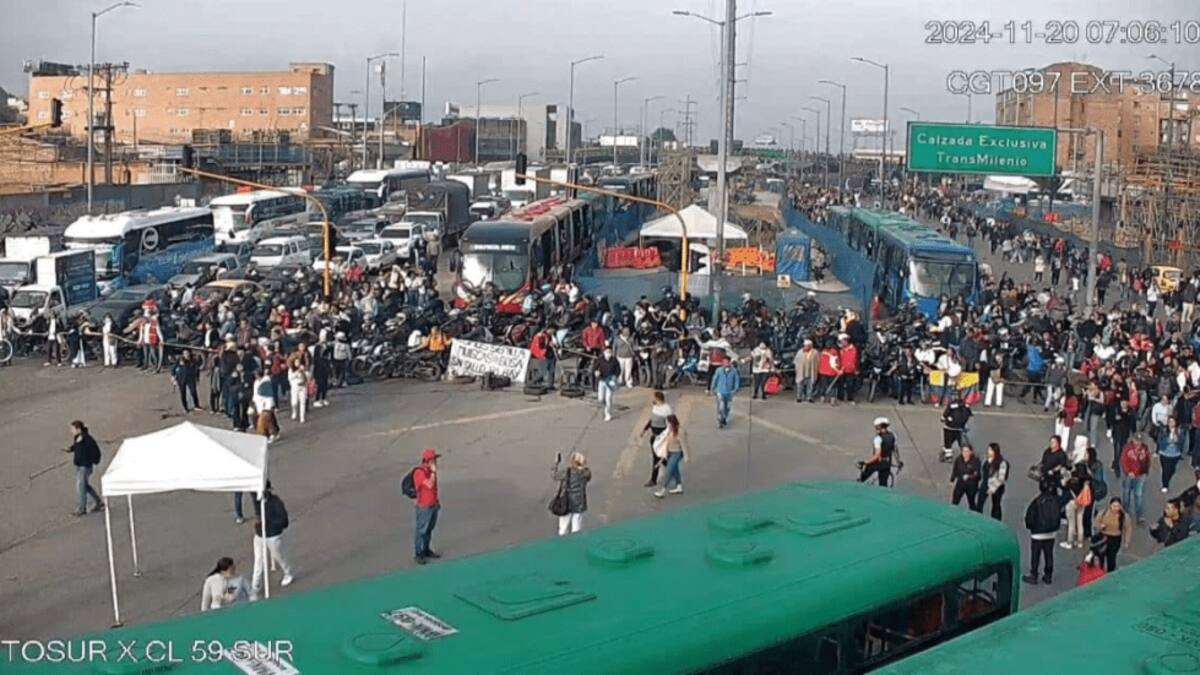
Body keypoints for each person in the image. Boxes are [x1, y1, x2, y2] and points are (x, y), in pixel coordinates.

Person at [250, 481, 294, 597]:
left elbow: (284, 522)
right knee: (258, 561)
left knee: (278, 556)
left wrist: (267, 522)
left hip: (273, 535)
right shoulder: (256, 498)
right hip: (260, 534)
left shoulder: (276, 502)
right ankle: (255, 586)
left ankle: (287, 572)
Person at [1024, 478, 1061, 585]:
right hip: (1051, 533)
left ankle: (1034, 575)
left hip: (1037, 533)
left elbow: (1030, 518)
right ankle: (1048, 575)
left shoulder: (1037, 501)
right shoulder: (1055, 501)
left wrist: (1031, 528)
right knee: (1049, 554)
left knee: (1035, 555)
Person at [61, 420, 103, 516]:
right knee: (84, 486)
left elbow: (95, 451)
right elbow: (76, 447)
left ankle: (81, 509)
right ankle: (98, 502)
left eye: (72, 429)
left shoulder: (87, 439)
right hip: (79, 465)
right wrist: (70, 449)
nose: (71, 431)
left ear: (78, 429)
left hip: (85, 466)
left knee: (81, 486)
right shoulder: (77, 438)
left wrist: (94, 461)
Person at [413, 448, 441, 565]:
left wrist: (437, 502)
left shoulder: (430, 472)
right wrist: (433, 472)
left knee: (429, 529)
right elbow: (429, 485)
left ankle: (426, 549)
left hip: (433, 505)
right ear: (428, 461)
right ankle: (419, 553)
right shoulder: (419, 472)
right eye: (434, 460)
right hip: (424, 507)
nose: (436, 462)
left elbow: (434, 489)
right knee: (421, 530)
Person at [552, 452, 592, 535]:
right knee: (576, 528)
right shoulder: (586, 473)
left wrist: (556, 463)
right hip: (579, 502)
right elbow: (587, 477)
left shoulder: (567, 472)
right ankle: (575, 544)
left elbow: (554, 476)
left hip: (566, 502)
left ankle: (563, 544)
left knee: (563, 528)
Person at [640, 391, 673, 487]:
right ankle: (672, 470)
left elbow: (671, 424)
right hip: (654, 436)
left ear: (658, 399)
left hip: (661, 438)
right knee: (659, 458)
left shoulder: (667, 409)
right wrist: (644, 429)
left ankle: (654, 479)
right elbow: (651, 421)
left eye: (653, 398)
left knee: (658, 458)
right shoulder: (655, 407)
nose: (652, 400)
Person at [1092, 497, 1132, 572]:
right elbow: (1095, 522)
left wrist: (1127, 541)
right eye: (1114, 506)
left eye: (1118, 506)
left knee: (1111, 558)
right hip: (1103, 537)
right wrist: (1100, 526)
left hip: (1115, 539)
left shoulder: (1124, 516)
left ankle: (1110, 573)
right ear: (1110, 505)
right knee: (1101, 557)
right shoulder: (1103, 512)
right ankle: (1100, 573)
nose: (1116, 508)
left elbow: (1128, 528)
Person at [653, 414, 688, 497]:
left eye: (667, 422)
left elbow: (683, 444)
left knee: (668, 471)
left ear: (671, 423)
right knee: (675, 470)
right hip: (670, 453)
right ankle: (679, 486)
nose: (666, 424)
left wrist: (686, 455)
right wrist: (662, 459)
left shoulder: (680, 431)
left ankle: (662, 491)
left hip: (677, 453)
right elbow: (666, 444)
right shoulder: (668, 431)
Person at [1121, 433, 1152, 524]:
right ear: (1133, 440)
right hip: (1129, 475)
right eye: (1136, 440)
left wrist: (1146, 471)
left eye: (1140, 441)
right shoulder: (1128, 448)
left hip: (1141, 475)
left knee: (1138, 494)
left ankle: (1139, 516)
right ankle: (1125, 513)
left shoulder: (1145, 448)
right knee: (1126, 493)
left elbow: (1148, 459)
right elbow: (1124, 460)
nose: (1138, 443)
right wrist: (1128, 471)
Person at [859, 417, 896, 487]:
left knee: (862, 478)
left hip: (877, 463)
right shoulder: (892, 435)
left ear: (879, 427)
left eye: (876, 427)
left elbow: (877, 455)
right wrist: (898, 462)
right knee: (883, 484)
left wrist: (865, 462)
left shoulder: (878, 439)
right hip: (887, 463)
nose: (875, 429)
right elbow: (894, 450)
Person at [978, 442, 1009, 519]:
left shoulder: (1002, 463)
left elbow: (1001, 479)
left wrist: (992, 489)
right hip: (985, 484)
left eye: (990, 450)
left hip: (997, 487)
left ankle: (996, 520)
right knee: (979, 503)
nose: (988, 451)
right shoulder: (988, 460)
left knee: (996, 505)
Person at [710, 358, 741, 429]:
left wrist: (735, 388)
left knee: (727, 407)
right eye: (724, 362)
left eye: (727, 362)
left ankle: (724, 417)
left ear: (730, 362)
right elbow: (715, 378)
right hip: (720, 391)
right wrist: (712, 388)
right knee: (721, 406)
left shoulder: (734, 371)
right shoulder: (719, 370)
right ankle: (720, 419)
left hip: (729, 392)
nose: (725, 363)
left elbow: (736, 380)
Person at [940, 394, 972, 462]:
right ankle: (967, 455)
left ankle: (948, 456)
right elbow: (969, 414)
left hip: (949, 427)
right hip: (960, 428)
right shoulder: (965, 405)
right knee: (961, 442)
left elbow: (945, 414)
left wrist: (942, 418)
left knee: (948, 442)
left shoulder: (951, 405)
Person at [1158, 416, 1185, 493]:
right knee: (1165, 470)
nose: (1171, 424)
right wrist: (1168, 440)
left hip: (1175, 454)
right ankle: (1165, 485)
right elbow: (1160, 442)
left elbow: (1182, 443)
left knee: (1172, 470)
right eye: (1170, 422)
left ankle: (1167, 479)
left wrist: (1177, 440)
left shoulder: (1180, 431)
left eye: (1173, 422)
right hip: (1164, 454)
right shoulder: (1163, 431)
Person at [593, 347, 621, 422]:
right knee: (601, 399)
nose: (608, 354)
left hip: (610, 381)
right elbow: (595, 367)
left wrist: (615, 377)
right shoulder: (600, 359)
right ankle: (604, 406)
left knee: (608, 398)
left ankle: (608, 413)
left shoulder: (614, 360)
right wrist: (596, 372)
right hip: (602, 381)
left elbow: (618, 370)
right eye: (607, 352)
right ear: (604, 352)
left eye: (610, 352)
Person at [950, 444, 982, 509]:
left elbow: (978, 474)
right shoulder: (958, 459)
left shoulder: (975, 461)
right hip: (960, 483)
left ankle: (973, 514)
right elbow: (955, 470)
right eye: (963, 451)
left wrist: (969, 476)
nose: (965, 453)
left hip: (971, 485)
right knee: (955, 500)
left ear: (971, 452)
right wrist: (952, 479)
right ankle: (952, 512)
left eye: (967, 451)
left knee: (971, 502)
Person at [172, 349, 201, 414]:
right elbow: (173, 368)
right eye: (185, 353)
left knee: (193, 391)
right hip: (181, 378)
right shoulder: (180, 360)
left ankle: (196, 405)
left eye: (187, 353)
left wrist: (197, 378)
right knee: (183, 393)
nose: (186, 354)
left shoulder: (193, 360)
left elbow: (197, 369)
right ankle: (185, 408)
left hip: (190, 378)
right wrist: (173, 377)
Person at [794, 339, 818, 403]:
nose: (806, 347)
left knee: (810, 385)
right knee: (800, 385)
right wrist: (797, 368)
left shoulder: (815, 352)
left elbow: (817, 362)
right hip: (801, 371)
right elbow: (796, 361)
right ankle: (799, 397)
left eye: (808, 346)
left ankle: (809, 397)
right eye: (805, 345)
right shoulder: (800, 352)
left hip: (810, 371)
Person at [287, 357, 309, 424]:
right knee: (294, 403)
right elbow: (290, 378)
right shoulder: (291, 370)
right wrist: (297, 372)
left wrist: (304, 372)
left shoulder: (303, 369)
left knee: (303, 402)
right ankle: (294, 411)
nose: (298, 363)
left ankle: (302, 417)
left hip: (303, 387)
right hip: (295, 387)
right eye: (296, 362)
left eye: (299, 362)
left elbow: (308, 377)